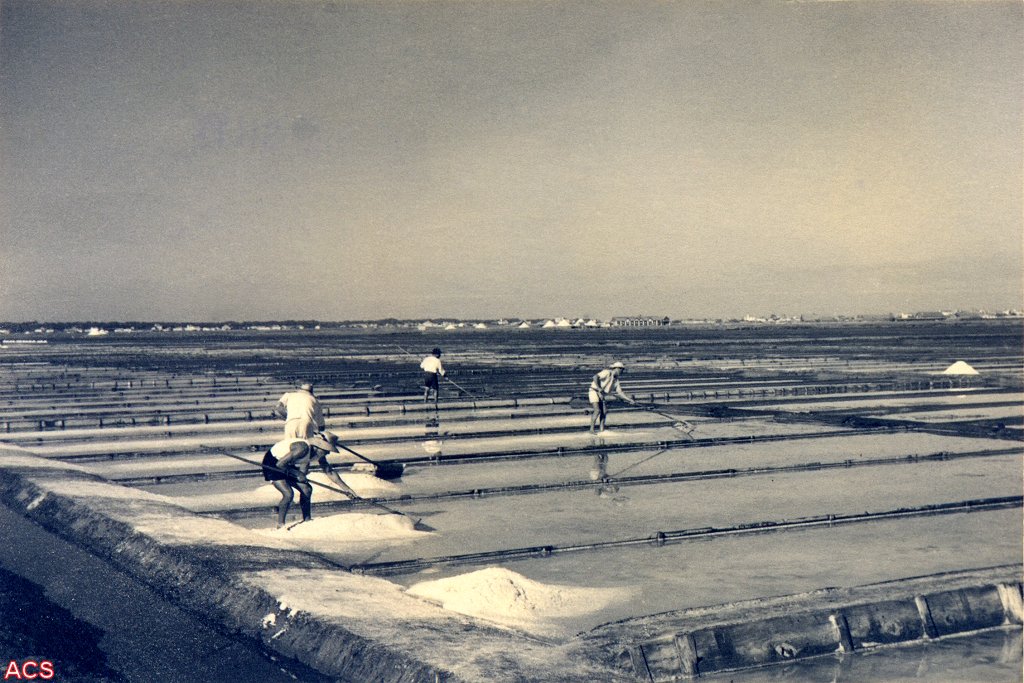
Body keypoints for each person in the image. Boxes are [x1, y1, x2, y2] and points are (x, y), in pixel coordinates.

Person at [262, 437, 314, 528]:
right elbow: (280, 464)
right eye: (326, 451)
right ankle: (280, 524)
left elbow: (302, 472)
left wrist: (302, 476)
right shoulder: (303, 448)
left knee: (307, 489)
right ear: (319, 448)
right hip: (272, 463)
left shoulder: (313, 454)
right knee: (288, 494)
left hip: (286, 464)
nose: (328, 453)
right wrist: (298, 474)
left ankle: (307, 519)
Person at [307, 430, 358, 498]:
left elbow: (329, 472)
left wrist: (347, 489)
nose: (328, 453)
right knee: (305, 489)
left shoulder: (319, 453)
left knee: (306, 489)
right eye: (327, 449)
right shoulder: (305, 448)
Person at [589, 361, 634, 433]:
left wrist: (629, 400)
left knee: (604, 411)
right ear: (617, 368)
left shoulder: (616, 380)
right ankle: (591, 430)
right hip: (594, 391)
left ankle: (602, 430)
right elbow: (595, 377)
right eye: (622, 369)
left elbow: (620, 393)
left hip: (602, 394)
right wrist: (599, 388)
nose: (622, 371)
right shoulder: (607, 372)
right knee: (597, 410)